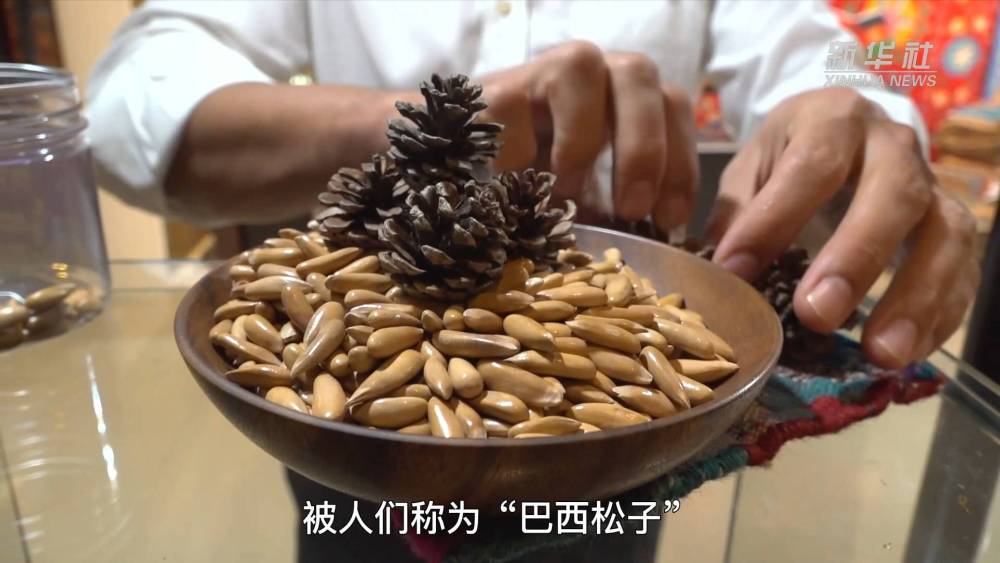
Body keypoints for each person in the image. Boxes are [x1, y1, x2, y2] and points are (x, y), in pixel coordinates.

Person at [88, 0, 979, 370]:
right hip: (352, 396)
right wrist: (410, 129)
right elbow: (133, 88)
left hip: (616, 411)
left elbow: (823, 52)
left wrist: (864, 109)